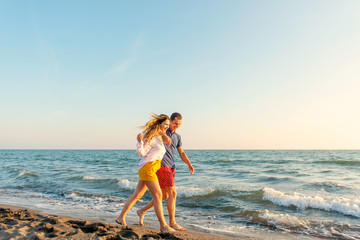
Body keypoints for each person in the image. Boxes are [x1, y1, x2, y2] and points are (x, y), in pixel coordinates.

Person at [115, 113, 175, 233]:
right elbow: (142, 153)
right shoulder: (151, 137)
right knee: (158, 195)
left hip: (151, 168)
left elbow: (163, 137)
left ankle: (120, 218)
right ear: (159, 124)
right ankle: (163, 226)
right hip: (148, 168)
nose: (167, 127)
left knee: (137, 195)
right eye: (165, 124)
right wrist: (139, 142)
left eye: (168, 125)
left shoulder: (158, 136)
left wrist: (164, 135)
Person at [136, 112, 194, 231]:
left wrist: (188, 163)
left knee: (164, 195)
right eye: (175, 123)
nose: (177, 125)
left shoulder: (177, 137)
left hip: (171, 166)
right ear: (170, 121)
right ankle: (172, 223)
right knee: (172, 193)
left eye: (179, 124)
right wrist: (163, 134)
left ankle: (142, 211)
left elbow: (181, 153)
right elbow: (154, 131)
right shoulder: (163, 130)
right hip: (162, 165)